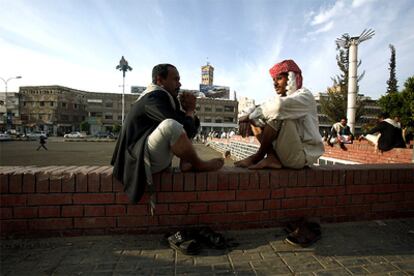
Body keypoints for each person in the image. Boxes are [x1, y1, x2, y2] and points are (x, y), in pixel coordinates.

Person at [111, 64, 224, 208]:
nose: (180, 84)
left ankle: (186, 162)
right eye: (175, 79)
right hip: (136, 160)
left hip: (145, 155)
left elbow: (189, 127)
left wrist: (188, 112)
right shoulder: (153, 97)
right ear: (160, 80)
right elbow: (182, 128)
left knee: (177, 124)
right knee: (171, 125)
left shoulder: (166, 98)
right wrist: (189, 110)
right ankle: (198, 164)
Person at [235, 59, 324, 169]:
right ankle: (271, 157)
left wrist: (248, 117)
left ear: (291, 78)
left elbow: (278, 107)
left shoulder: (305, 96)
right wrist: (250, 118)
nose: (275, 84)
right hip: (287, 152)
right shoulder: (284, 99)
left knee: (276, 115)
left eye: (279, 79)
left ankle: (258, 157)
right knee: (258, 118)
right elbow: (267, 110)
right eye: (273, 80)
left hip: (301, 156)